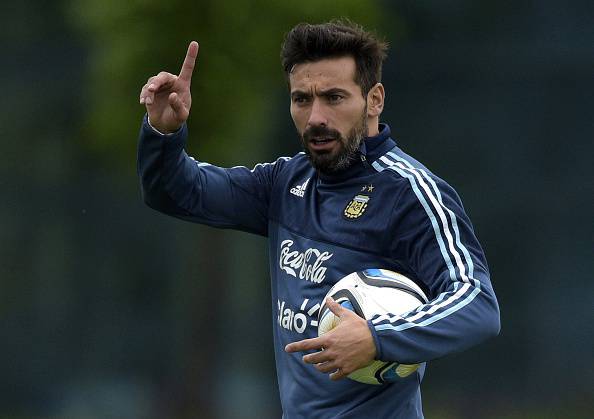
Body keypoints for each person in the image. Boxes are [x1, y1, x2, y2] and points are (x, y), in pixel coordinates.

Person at [137, 20, 500, 419]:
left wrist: (377, 337)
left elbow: (477, 304)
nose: (315, 118)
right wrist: (163, 132)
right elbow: (177, 192)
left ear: (374, 99)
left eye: (334, 97)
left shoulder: (409, 194)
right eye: (302, 99)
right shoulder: (285, 182)